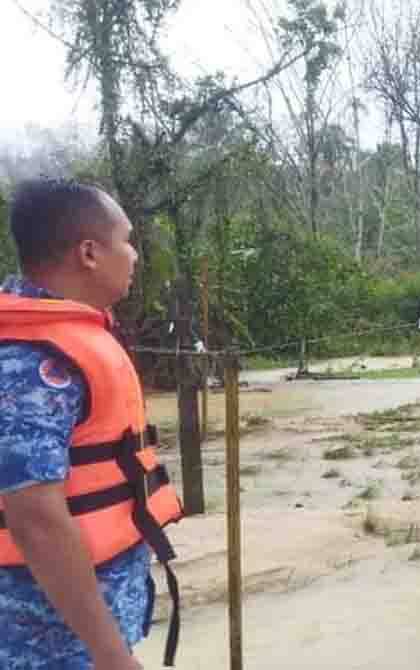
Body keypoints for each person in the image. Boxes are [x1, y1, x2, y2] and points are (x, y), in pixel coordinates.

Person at [0, 178, 184, 669]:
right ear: (89, 253)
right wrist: (110, 656)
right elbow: (34, 517)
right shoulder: (32, 360)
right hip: (46, 641)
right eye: (126, 241)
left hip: (83, 629)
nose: (135, 255)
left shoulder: (68, 336)